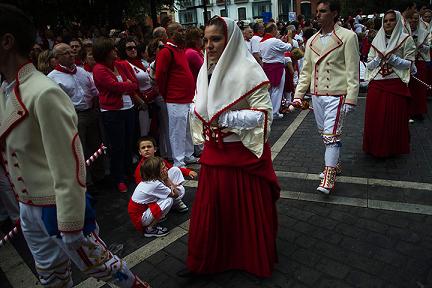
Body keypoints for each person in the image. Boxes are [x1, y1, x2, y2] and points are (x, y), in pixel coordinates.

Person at [0, 4, 149, 287]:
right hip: (28, 205)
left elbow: (69, 162)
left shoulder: (42, 92)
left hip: (55, 206)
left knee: (104, 267)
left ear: (7, 41)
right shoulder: (6, 90)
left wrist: (70, 222)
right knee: (52, 276)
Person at [185, 16, 280, 278]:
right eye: (205, 40)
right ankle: (207, 259)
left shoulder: (250, 70)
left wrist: (225, 117)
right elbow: (198, 101)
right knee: (213, 212)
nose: (208, 45)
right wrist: (198, 112)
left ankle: (247, 257)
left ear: (231, 39)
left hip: (242, 154)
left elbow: (264, 115)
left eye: (215, 39)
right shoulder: (205, 69)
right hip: (215, 153)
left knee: (244, 211)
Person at [293, 0, 360, 195]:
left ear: (334, 13)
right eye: (317, 11)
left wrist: (351, 97)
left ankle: (329, 175)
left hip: (337, 94)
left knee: (331, 135)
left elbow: (352, 69)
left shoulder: (348, 37)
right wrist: (298, 95)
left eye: (322, 11)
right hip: (317, 94)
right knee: (326, 134)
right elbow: (306, 71)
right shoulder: (312, 40)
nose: (318, 15)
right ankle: (335, 163)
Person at [48, 43, 105, 187]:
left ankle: (100, 176)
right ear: (57, 58)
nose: (71, 54)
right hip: (75, 116)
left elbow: (93, 89)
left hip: (91, 112)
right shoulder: (52, 78)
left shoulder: (81, 71)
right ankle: (85, 181)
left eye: (71, 51)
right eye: (66, 53)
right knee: (80, 149)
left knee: (96, 146)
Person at [363, 10, 416, 158]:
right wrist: (379, 59)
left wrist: (392, 59)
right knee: (375, 117)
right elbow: (369, 65)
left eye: (391, 20)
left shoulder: (406, 39)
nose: (388, 23)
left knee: (393, 118)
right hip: (377, 83)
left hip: (396, 82)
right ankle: (374, 147)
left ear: (397, 21)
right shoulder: (377, 40)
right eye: (385, 21)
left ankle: (393, 148)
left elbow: (410, 64)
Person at [92, 38, 141, 193]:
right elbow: (115, 87)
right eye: (112, 49)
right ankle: (118, 178)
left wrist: (125, 85)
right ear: (105, 53)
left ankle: (129, 173)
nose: (115, 51)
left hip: (129, 108)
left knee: (129, 143)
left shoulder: (121, 64)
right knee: (117, 146)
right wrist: (126, 85)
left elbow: (134, 83)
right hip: (113, 112)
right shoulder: (99, 69)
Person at [154, 22, 198, 168]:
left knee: (187, 128)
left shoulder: (179, 50)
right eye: (180, 30)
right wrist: (166, 94)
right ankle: (178, 160)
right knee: (177, 131)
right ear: (172, 34)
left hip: (186, 97)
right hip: (175, 98)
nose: (184, 33)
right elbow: (160, 76)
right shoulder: (166, 51)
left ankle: (187, 154)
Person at [128, 156, 185, 237]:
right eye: (163, 168)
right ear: (155, 172)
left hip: (141, 212)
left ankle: (158, 216)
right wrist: (167, 179)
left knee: (175, 173)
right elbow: (176, 195)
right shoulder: (155, 184)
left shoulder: (152, 179)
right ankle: (150, 229)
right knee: (169, 200)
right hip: (140, 218)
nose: (166, 169)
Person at [260, 22, 293, 119]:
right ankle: (275, 112)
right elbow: (289, 47)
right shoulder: (274, 41)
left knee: (270, 90)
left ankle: (271, 111)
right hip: (277, 67)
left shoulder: (262, 41)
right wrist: (290, 38)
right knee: (277, 90)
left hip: (267, 67)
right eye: (276, 29)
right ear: (273, 30)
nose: (278, 31)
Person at [408, 11, 430, 122]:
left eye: (416, 19)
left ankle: (418, 111)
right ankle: (408, 111)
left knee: (420, 88)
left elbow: (428, 47)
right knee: (409, 87)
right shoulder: (404, 31)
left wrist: (421, 46)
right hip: (408, 61)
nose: (413, 21)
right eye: (411, 18)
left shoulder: (424, 32)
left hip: (420, 60)